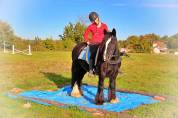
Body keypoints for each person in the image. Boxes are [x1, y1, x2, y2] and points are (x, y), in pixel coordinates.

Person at [84, 11, 108, 76]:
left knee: (110, 51)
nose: (95, 21)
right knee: (93, 54)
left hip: (102, 43)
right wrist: (87, 41)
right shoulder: (90, 26)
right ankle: (91, 70)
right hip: (94, 44)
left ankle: (115, 68)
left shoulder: (104, 25)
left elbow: (107, 35)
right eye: (93, 20)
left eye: (96, 19)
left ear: (98, 17)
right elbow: (85, 34)